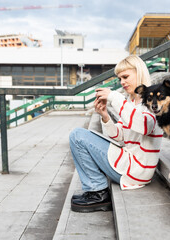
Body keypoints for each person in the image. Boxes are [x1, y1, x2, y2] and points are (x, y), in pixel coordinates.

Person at [69, 55, 163, 212]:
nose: (122, 82)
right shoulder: (133, 102)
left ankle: (97, 191)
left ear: (139, 72)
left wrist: (114, 97)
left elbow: (144, 125)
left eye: (126, 77)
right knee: (80, 135)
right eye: (120, 78)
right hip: (132, 164)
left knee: (77, 136)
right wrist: (105, 116)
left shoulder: (153, 100)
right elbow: (119, 137)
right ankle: (96, 188)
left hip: (137, 169)